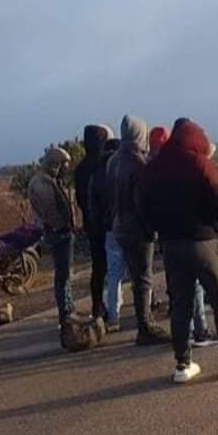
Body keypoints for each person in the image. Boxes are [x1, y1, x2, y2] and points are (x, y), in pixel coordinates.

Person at [141, 118, 218, 383]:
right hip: (203, 242)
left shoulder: (154, 168)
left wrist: (158, 232)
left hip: (172, 246)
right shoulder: (199, 164)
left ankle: (183, 365)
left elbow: (143, 206)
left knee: (181, 304)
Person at [105, 115, 170, 345]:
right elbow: (143, 201)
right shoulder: (138, 164)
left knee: (134, 276)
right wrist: (152, 227)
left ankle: (144, 322)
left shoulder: (113, 161)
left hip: (119, 226)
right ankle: (145, 325)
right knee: (143, 278)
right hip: (137, 229)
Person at [151, 125, 215, 348]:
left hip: (168, 239)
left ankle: (183, 356)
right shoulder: (192, 164)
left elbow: (146, 205)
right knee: (204, 289)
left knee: (179, 295)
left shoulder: (152, 168)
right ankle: (208, 337)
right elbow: (215, 197)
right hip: (195, 236)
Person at [27, 146, 76, 327]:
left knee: (65, 275)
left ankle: (69, 309)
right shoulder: (42, 184)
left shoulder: (48, 181)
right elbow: (52, 213)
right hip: (57, 233)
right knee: (62, 276)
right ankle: (66, 313)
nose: (66, 169)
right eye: (64, 165)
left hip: (58, 232)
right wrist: (64, 228)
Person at [75, 124, 113, 319]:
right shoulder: (105, 164)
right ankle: (114, 308)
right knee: (118, 266)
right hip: (108, 224)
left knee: (98, 268)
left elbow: (80, 200)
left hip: (91, 225)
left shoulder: (80, 169)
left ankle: (98, 306)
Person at [89, 138, 123, 331]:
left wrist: (100, 225)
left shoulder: (97, 174)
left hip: (109, 229)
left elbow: (93, 206)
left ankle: (113, 316)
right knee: (139, 273)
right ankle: (145, 312)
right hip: (128, 227)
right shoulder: (121, 170)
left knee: (113, 274)